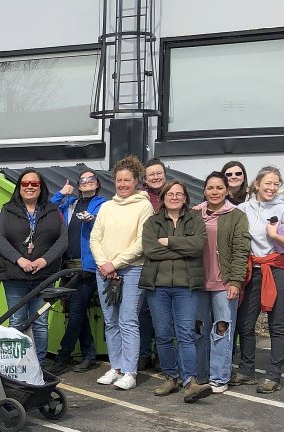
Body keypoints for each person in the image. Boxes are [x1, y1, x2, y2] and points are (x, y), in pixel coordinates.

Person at [232, 166, 284, 393]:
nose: (272, 188)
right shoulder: (243, 208)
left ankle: (273, 376)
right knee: (245, 324)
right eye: (268, 183)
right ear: (256, 184)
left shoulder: (283, 209)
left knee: (277, 326)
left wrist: (276, 236)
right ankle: (247, 371)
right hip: (252, 271)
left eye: (276, 184)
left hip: (277, 270)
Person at [139, 180, 212, 402]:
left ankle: (190, 381)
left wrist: (169, 241)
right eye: (170, 193)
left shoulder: (195, 220)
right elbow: (150, 250)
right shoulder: (152, 222)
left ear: (185, 198)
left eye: (179, 194)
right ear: (162, 198)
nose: (174, 197)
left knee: (186, 334)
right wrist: (182, 248)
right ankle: (171, 377)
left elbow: (197, 246)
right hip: (157, 287)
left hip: (186, 286)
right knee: (162, 334)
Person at [89, 155, 154, 390]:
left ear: (136, 181)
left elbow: (141, 243)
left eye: (127, 180)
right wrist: (103, 263)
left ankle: (129, 371)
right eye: (119, 180)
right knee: (111, 321)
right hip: (104, 271)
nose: (123, 184)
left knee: (128, 320)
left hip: (132, 270)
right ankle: (115, 367)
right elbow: (95, 238)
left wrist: (114, 263)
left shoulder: (144, 206)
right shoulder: (107, 207)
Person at [0, 169, 67, 366]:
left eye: (34, 184)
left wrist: (44, 260)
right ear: (19, 188)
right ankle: (17, 365)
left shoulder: (53, 210)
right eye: (25, 184)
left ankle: (39, 365)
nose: (30, 187)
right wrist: (20, 260)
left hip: (45, 276)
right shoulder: (7, 209)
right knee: (17, 321)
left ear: (41, 187)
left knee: (40, 323)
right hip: (16, 276)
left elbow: (62, 240)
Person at [193, 172, 250, 394]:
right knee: (199, 330)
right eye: (210, 188)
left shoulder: (236, 215)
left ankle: (219, 377)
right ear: (204, 191)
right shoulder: (195, 214)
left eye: (219, 188)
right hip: (198, 283)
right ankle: (200, 374)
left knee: (222, 330)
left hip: (223, 283)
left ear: (226, 190)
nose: (214, 192)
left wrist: (235, 281)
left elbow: (240, 251)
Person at [49, 169, 107, 374]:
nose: (87, 182)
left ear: (97, 183)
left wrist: (93, 220)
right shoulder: (70, 203)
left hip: (87, 265)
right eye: (83, 180)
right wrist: (62, 193)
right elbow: (48, 209)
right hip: (66, 265)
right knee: (78, 313)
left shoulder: (104, 205)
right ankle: (89, 355)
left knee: (75, 312)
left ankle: (62, 357)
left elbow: (107, 228)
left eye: (91, 179)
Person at [137, 157, 167, 369]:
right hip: (145, 260)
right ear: (145, 178)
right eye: (151, 174)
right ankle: (144, 352)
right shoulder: (139, 198)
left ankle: (161, 354)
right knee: (145, 311)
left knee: (164, 310)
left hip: (168, 259)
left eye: (159, 173)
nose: (156, 177)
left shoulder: (174, 195)